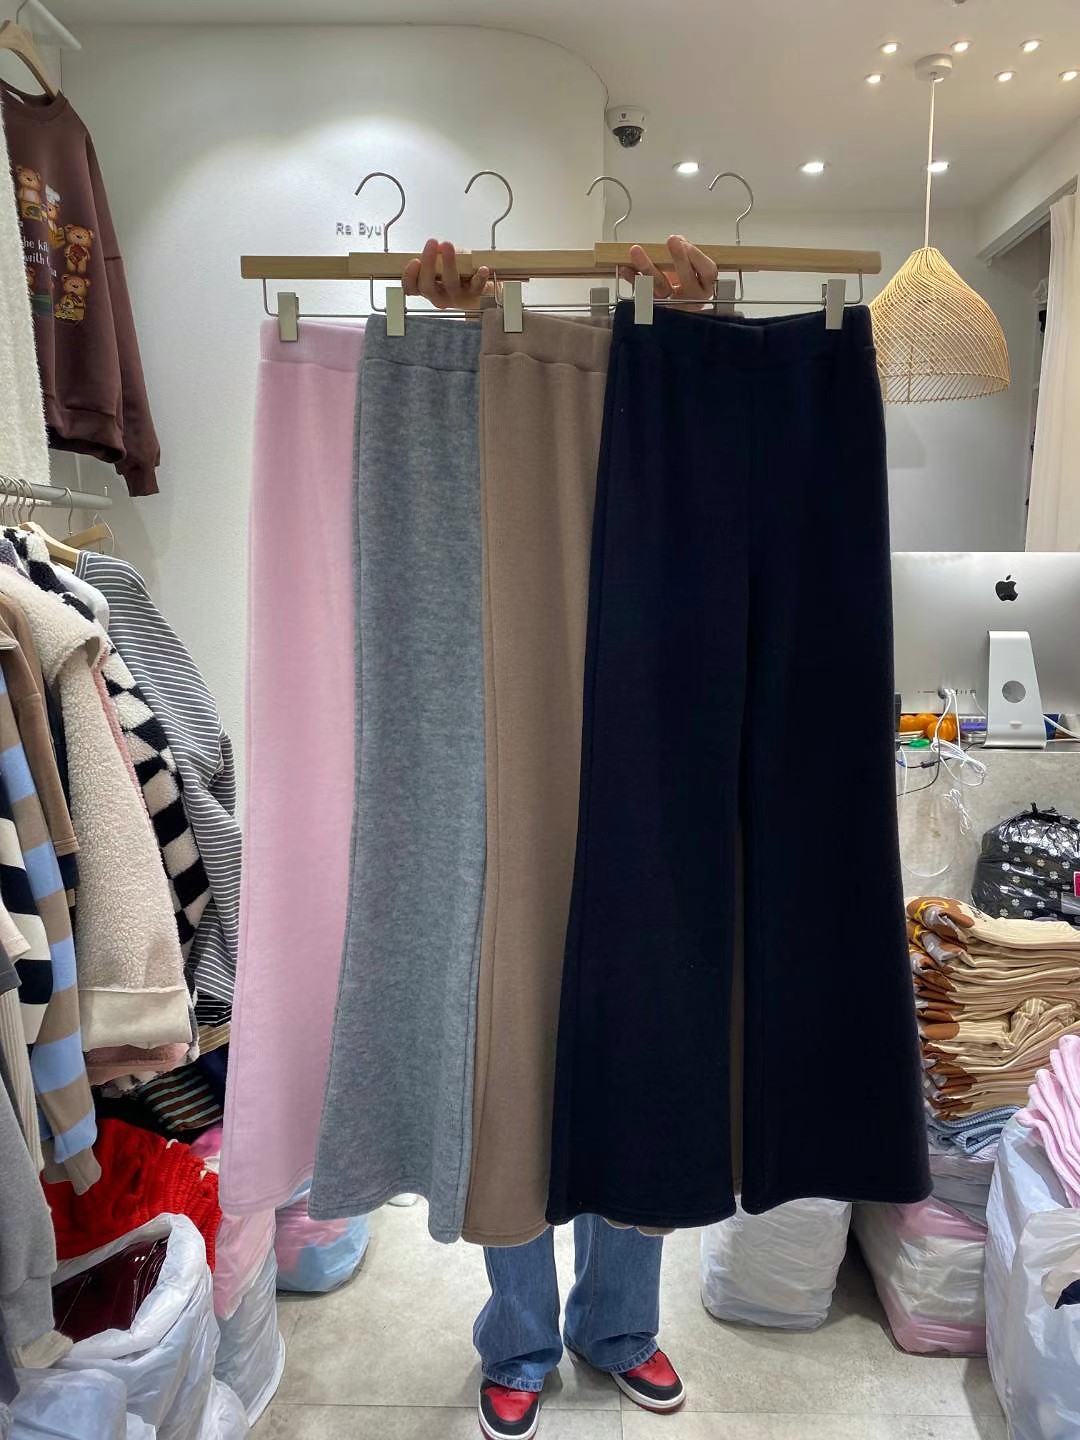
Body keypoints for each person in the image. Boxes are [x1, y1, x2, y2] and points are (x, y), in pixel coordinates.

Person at [403, 234, 719, 1440]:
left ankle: (618, 1325)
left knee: (643, 1032)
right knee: (522, 1030)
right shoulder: (509, 398)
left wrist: (698, 318)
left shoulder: (667, 410)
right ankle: (523, 1335)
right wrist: (453, 318)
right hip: (521, 705)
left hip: (653, 717)